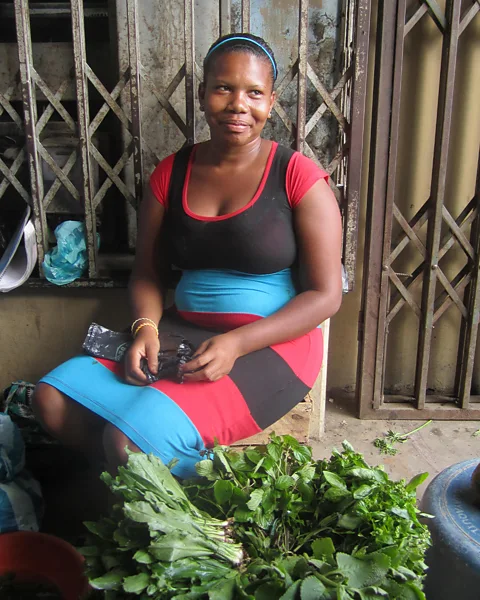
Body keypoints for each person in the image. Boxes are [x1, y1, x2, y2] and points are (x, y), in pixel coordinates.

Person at [33, 33, 343, 479]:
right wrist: (145, 328)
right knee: (51, 400)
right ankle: (146, 490)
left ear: (271, 102)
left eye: (254, 92)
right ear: (202, 95)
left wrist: (237, 343)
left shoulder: (298, 176)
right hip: (181, 333)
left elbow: (325, 295)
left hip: (272, 346)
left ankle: (215, 514)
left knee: (128, 442)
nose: (239, 104)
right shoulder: (170, 173)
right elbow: (147, 273)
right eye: (224, 88)